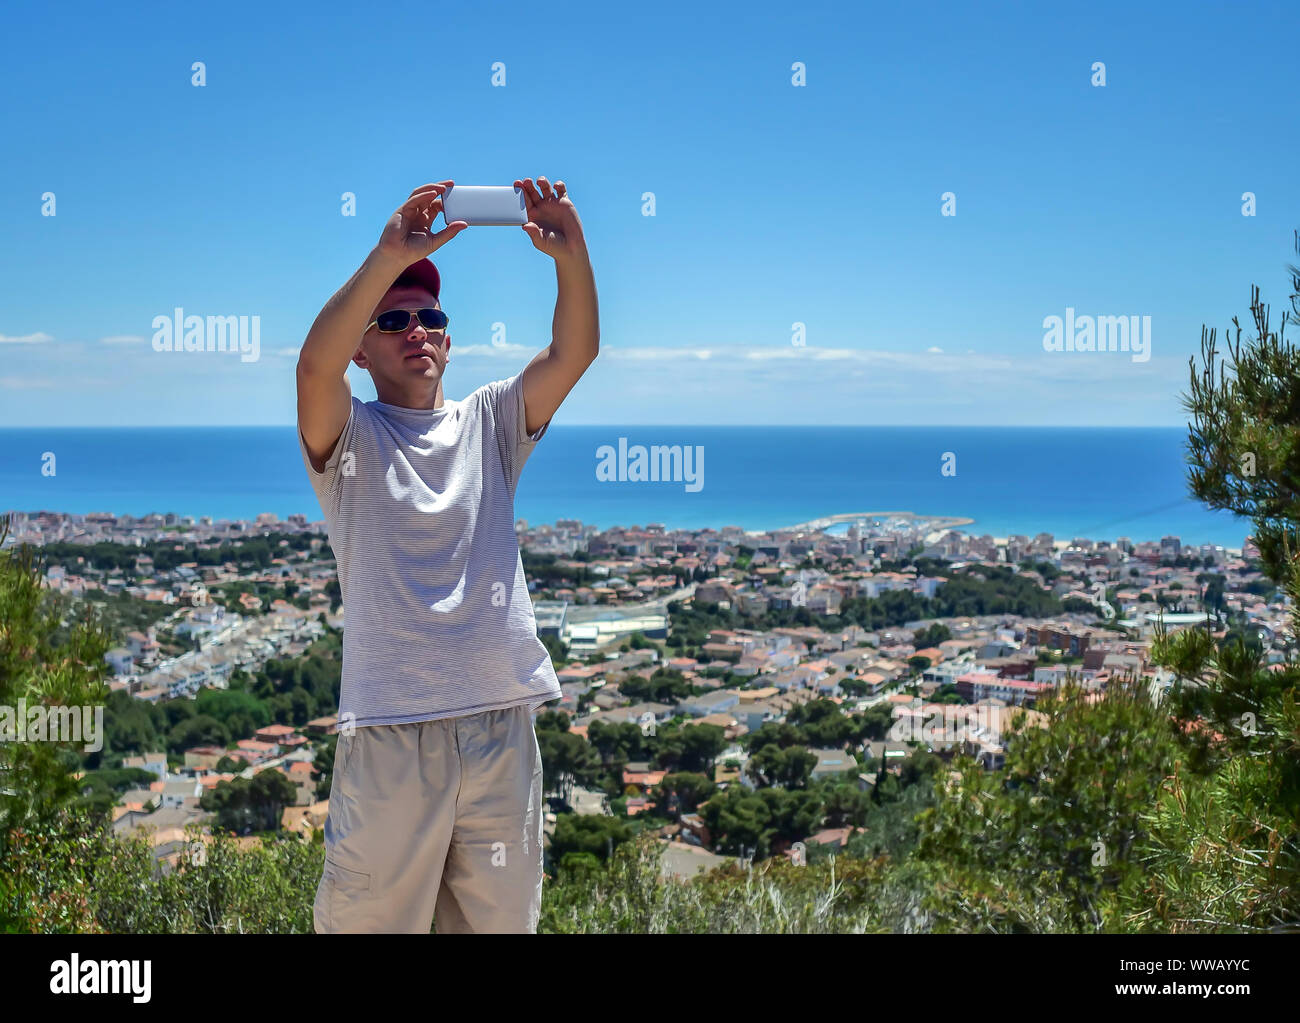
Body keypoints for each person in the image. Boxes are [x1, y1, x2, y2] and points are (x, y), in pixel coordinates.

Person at [296, 177, 598, 932]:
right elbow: (311, 370)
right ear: (362, 350)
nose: (417, 329)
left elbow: (576, 350)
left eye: (430, 315)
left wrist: (571, 249)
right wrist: (388, 253)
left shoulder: (492, 421)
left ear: (450, 335)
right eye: (392, 319)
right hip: (394, 732)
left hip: (500, 725)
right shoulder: (353, 439)